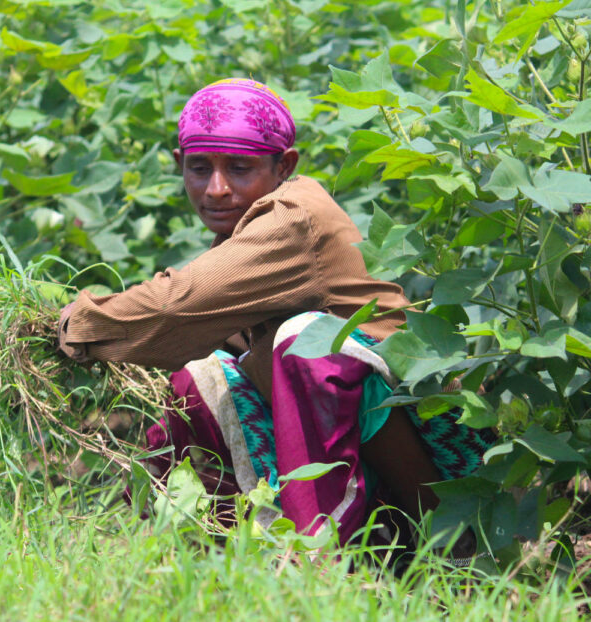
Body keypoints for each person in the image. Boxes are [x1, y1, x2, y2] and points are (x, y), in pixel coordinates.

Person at [58, 78, 494, 541]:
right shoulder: (240, 236)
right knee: (200, 376)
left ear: (283, 166)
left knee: (306, 342)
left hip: (444, 458)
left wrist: (68, 323)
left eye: (240, 168)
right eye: (199, 168)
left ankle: (336, 557)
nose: (217, 188)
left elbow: (174, 306)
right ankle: (164, 543)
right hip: (363, 454)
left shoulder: (291, 217)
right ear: (179, 165)